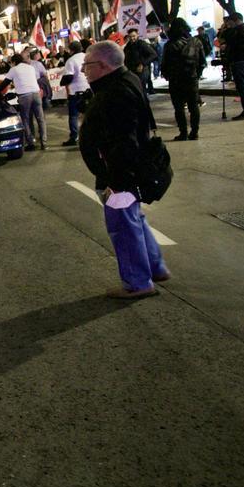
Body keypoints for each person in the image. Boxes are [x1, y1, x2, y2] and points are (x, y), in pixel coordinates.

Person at [78, 41, 169, 300]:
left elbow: (122, 141)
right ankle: (155, 267)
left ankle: (138, 282)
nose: (85, 70)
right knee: (134, 219)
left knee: (123, 228)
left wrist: (112, 180)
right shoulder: (127, 80)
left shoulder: (114, 93)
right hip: (130, 169)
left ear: (103, 66)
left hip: (120, 174)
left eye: (88, 66)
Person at [160, 18, 204, 141]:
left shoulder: (170, 45)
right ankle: (194, 131)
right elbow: (202, 62)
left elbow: (164, 64)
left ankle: (183, 132)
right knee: (193, 106)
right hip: (191, 78)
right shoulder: (196, 42)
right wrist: (196, 74)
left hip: (176, 79)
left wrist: (167, 75)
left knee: (179, 108)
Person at [1, 53, 47, 150]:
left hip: (24, 96)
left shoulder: (13, 69)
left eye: (11, 62)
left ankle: (30, 143)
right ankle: (44, 142)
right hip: (36, 94)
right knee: (40, 119)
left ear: (13, 62)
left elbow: (5, 83)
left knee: (25, 119)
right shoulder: (30, 67)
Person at [59, 40, 90, 146]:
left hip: (76, 92)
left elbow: (69, 76)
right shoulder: (87, 56)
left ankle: (74, 136)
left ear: (71, 50)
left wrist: (62, 82)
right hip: (88, 89)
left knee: (74, 116)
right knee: (88, 114)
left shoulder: (71, 61)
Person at [123, 28, 158, 96]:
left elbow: (153, 54)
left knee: (142, 90)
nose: (132, 38)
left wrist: (142, 64)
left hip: (142, 71)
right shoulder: (127, 47)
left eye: (134, 36)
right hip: (132, 71)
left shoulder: (142, 44)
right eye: (130, 37)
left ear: (137, 35)